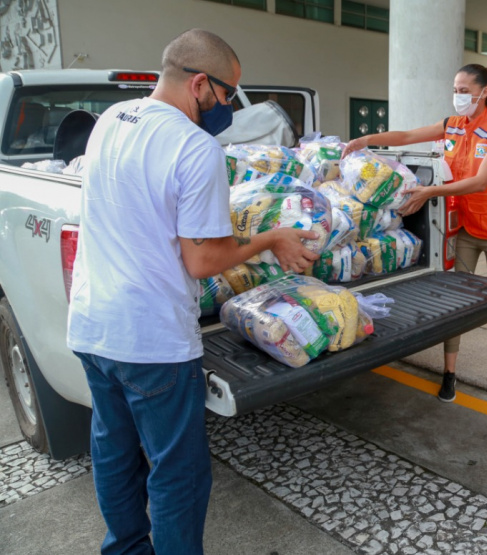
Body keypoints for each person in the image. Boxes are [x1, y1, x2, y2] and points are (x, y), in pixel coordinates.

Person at [66, 29, 318, 554]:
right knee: (177, 471)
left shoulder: (111, 119)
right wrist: (270, 238)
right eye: (228, 95)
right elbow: (202, 260)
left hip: (92, 326)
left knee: (114, 452)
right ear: (200, 84)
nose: (229, 108)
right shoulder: (194, 146)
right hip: (150, 338)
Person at [342, 64, 487, 402]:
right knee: (457, 300)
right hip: (463, 228)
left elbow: (482, 182)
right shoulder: (451, 126)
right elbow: (408, 137)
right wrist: (367, 140)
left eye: (465, 90)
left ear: (484, 92)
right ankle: (449, 373)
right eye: (456, 88)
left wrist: (428, 193)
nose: (458, 95)